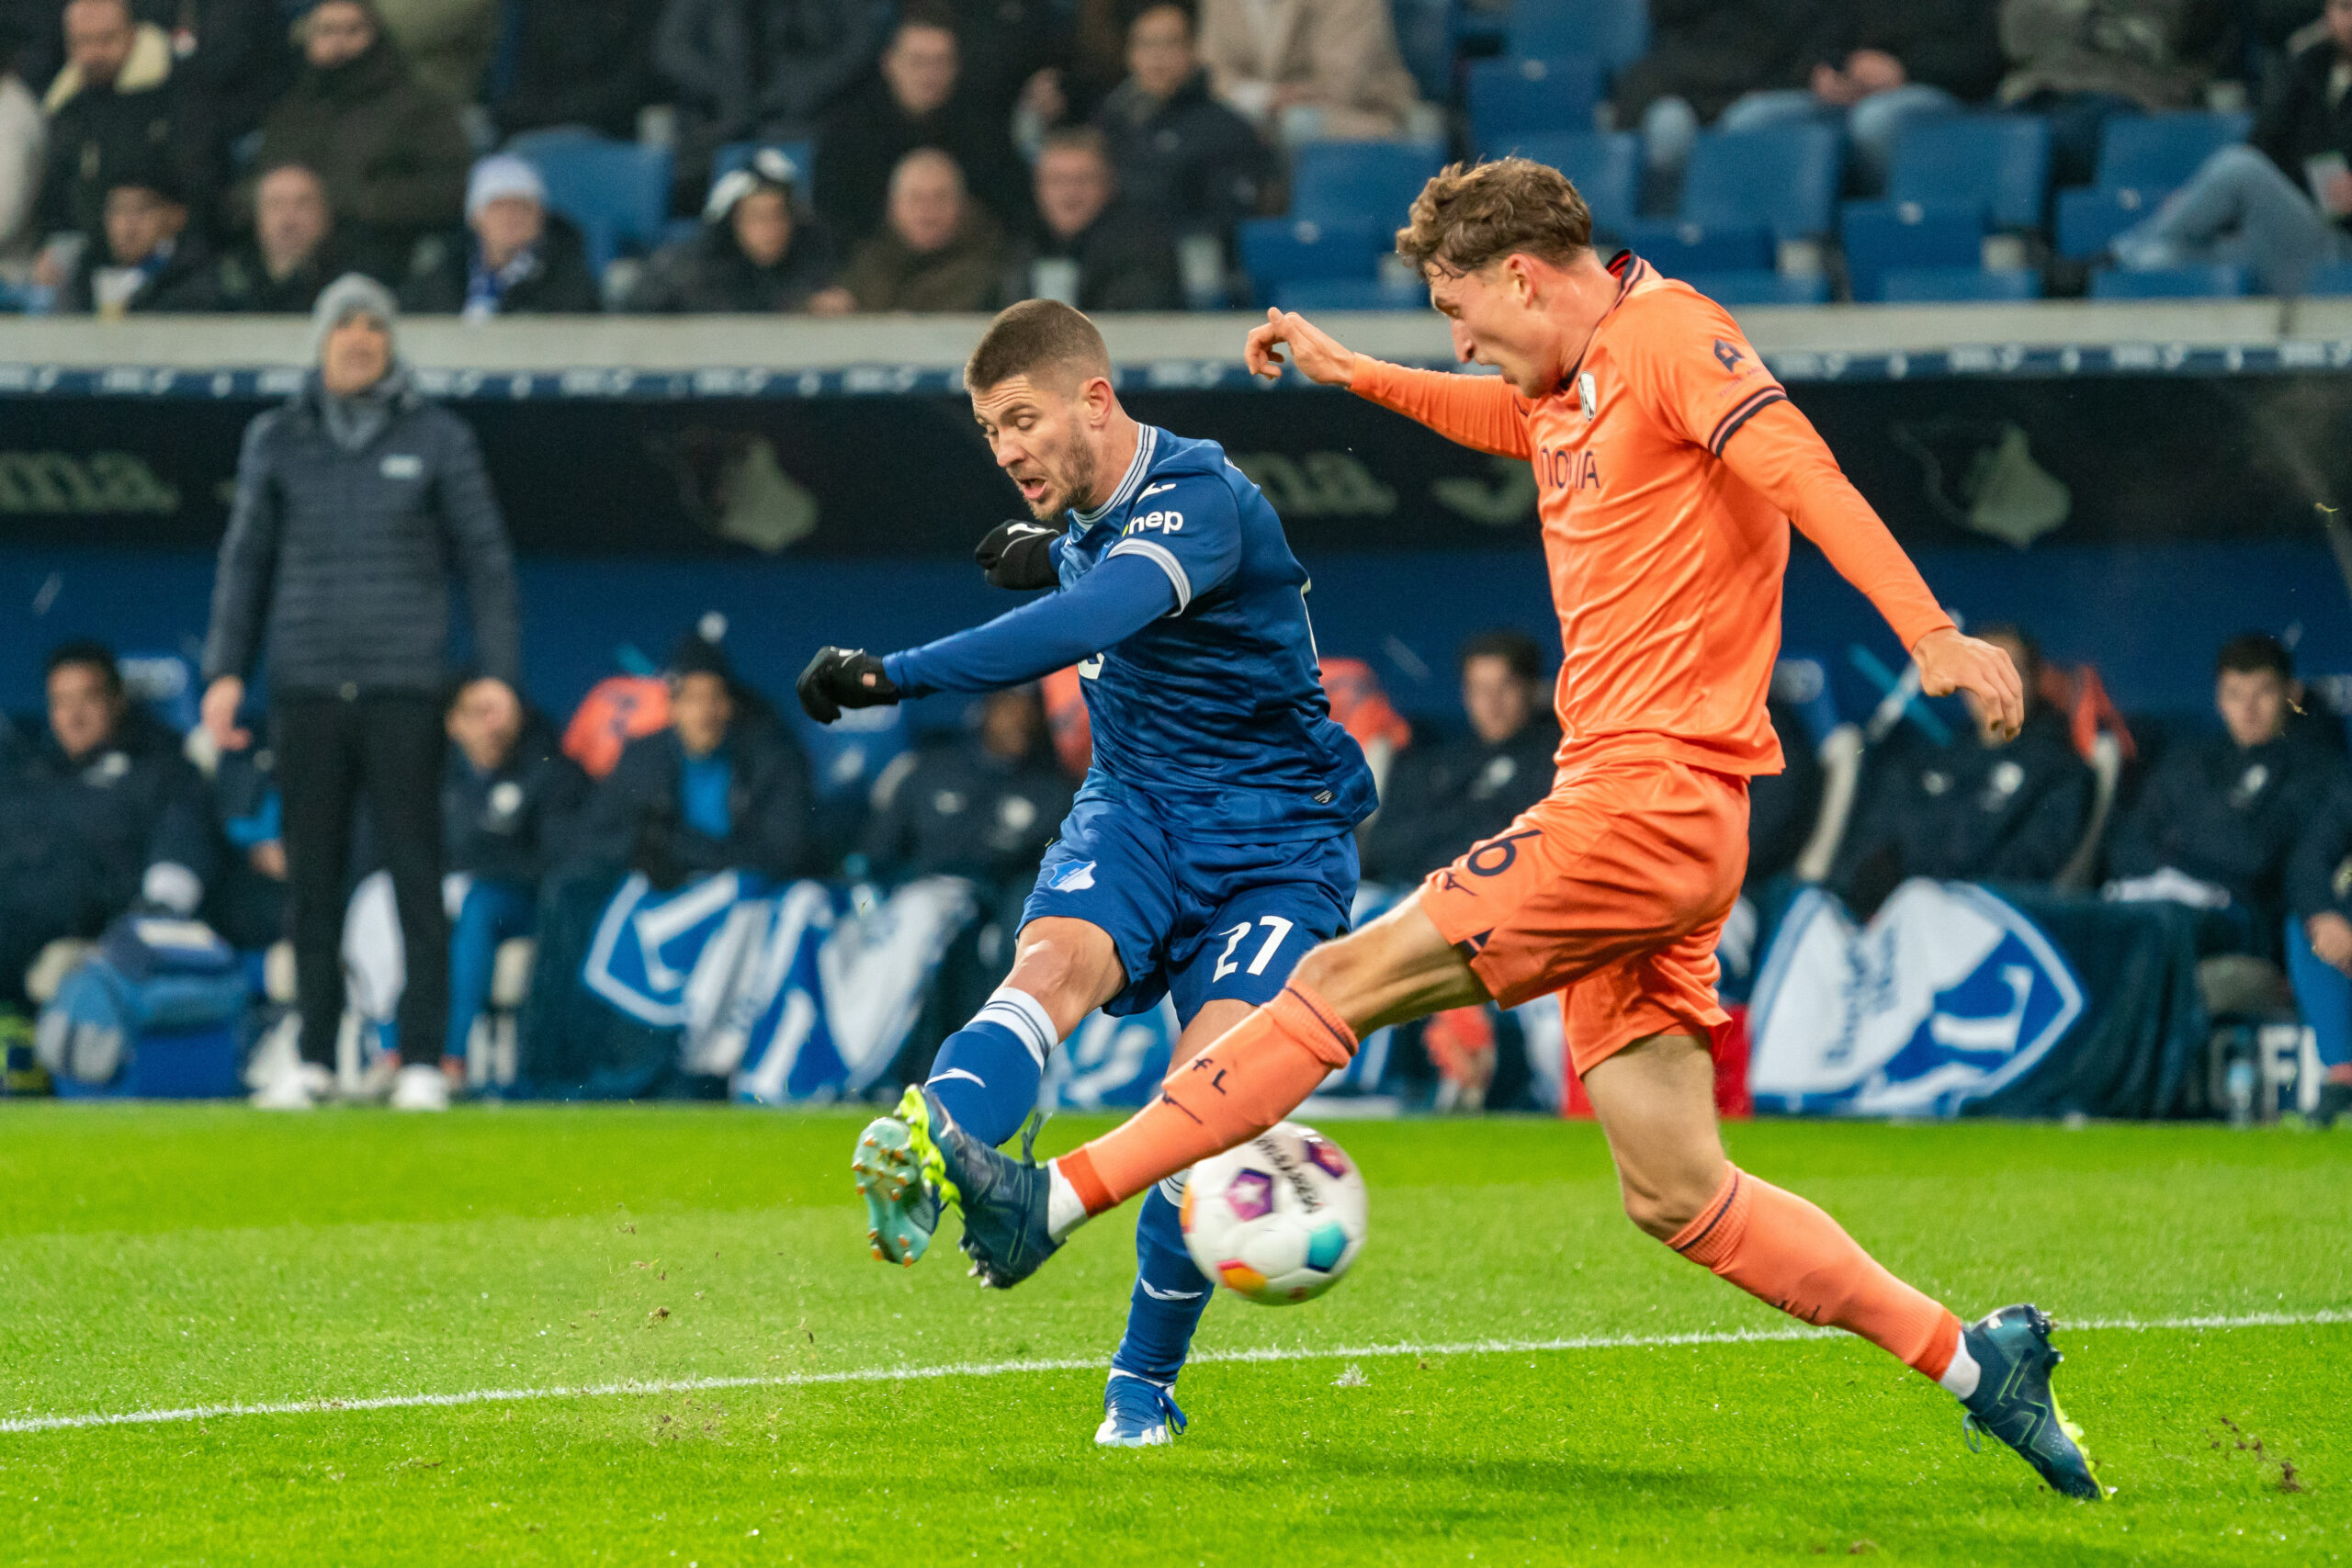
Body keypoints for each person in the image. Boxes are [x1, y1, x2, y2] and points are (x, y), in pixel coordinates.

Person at [891, 162, 2110, 1505]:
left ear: (1521, 276)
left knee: (1333, 982)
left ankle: (1050, 1199)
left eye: (1457, 311)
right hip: (1660, 820)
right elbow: (1504, 418)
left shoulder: (1673, 339)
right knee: (1679, 1195)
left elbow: (1799, 468)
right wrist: (1355, 371)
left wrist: (1930, 631)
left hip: (1640, 805)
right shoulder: (1573, 385)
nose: (1461, 342)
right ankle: (1975, 1360)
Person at [797, 298, 1374, 1448]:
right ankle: (933, 1145)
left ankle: (1138, 1389)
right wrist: (1046, 552)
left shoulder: (1199, 499)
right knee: (1046, 972)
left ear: (1095, 401)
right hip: (1136, 814)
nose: (1005, 449)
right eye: (988, 431)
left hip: (1275, 843)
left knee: (1206, 1100)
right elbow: (1085, 569)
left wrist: (892, 675)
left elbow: (1090, 620)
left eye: (1021, 420)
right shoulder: (1090, 517)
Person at [200, 274, 520, 1114]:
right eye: (344, 325)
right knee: (313, 881)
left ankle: (422, 1059)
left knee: (417, 873)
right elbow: (245, 560)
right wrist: (225, 671)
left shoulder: (439, 435)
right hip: (306, 685)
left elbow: (486, 560)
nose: (359, 339)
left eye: (373, 325)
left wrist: (497, 671)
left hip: (404, 686)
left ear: (391, 341)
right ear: (321, 340)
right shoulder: (277, 437)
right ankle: (314, 1057)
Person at [0, 641, 217, 1004]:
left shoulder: (162, 771)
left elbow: (181, 849)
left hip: (104, 945)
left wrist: (117, 948)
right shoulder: (30, 775)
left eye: (87, 699)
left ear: (117, 701)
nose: (74, 717)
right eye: (61, 702)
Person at [2107, 633, 2342, 960]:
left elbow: (2258, 857)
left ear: (2292, 694)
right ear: (2219, 699)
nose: (2248, 709)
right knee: (2091, 920)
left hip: (2246, 924)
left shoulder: (2319, 770)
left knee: (2160, 929)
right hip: (2162, 905)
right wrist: (2172, 873)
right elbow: (2128, 844)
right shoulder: (2189, 761)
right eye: (2235, 694)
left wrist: (2178, 860)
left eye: (2263, 693)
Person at [1831, 624, 2091, 911]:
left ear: (2033, 680)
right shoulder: (1932, 761)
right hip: (1901, 914)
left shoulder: (2059, 770)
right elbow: (1872, 845)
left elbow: (2029, 866)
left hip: (1978, 916)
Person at [2109, 0, 2352, 296]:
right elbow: (2265, 143)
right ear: (2328, 11)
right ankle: (2108, 267)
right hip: (2284, 234)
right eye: (2346, 7)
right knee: (2165, 257)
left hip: (2339, 249)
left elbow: (2250, 164)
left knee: (2241, 167)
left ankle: (2112, 256)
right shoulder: (2307, 67)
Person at [569, 635, 813, 887]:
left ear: (730, 705)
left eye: (714, 697)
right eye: (692, 698)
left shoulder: (772, 759)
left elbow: (785, 854)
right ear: (672, 706)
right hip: (660, 897)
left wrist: (678, 847)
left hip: (750, 897)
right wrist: (643, 849)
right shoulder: (642, 759)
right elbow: (594, 840)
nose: (703, 713)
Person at [253, 0, 470, 276]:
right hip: (286, 263)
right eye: (327, 31)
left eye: (352, 30)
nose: (338, 42)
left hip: (381, 257)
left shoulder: (417, 109)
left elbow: (451, 188)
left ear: (377, 36)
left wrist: (365, 200)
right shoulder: (291, 112)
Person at [441, 674, 586, 1083]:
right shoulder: (434, 775)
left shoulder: (549, 770)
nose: (493, 725)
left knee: (479, 902)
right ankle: (392, 1053)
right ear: (454, 722)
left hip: (524, 905)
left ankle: (450, 1060)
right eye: (479, 713)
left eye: (501, 712)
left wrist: (484, 859)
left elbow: (557, 861)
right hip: (448, 899)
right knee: (385, 897)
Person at [1702, 0, 2004, 194]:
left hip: (1941, 91)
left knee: (1876, 120)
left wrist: (1904, 71)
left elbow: (1984, 56)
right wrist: (1823, 73)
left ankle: (1887, 228)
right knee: (1750, 120)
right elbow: (1809, 39)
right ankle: (1793, 251)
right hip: (1847, 96)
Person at [811, 7, 1029, 245]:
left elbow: (1007, 208)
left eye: (941, 62)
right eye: (918, 62)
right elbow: (835, 215)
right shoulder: (848, 132)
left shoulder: (984, 129)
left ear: (957, 67)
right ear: (889, 63)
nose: (930, 74)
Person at [1360, 628, 1556, 886]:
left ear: (1531, 688)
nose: (1492, 703)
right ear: (1465, 693)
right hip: (1416, 892)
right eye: (1480, 689)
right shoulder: (1442, 759)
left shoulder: (1557, 758)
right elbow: (1381, 846)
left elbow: (1522, 848)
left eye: (1506, 686)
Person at [860, 684, 1075, 906]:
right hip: (915, 895)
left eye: (1032, 712)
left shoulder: (1053, 794)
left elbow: (1056, 874)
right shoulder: (933, 769)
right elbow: (879, 851)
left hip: (997, 908)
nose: (1022, 721)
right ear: (987, 710)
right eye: (1010, 709)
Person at [32, 0, 205, 265]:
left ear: (132, 33)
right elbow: (56, 198)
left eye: (106, 39)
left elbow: (198, 187)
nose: (93, 54)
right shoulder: (66, 108)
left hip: (176, 259)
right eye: (82, 42)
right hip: (89, 261)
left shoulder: (178, 95)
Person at [1996, 0, 2232, 186]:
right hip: (2035, 92)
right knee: (1985, 140)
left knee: (2042, 147)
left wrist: (2072, 19)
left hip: (2129, 98)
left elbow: (2161, 33)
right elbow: (2015, 31)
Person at [1611, 0, 1842, 189]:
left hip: (1772, 79)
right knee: (1668, 122)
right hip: (1691, 81)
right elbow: (1663, 12)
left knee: (1747, 121)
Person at [1092, 3, 1270, 245]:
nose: (1158, 56)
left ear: (1194, 50)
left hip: (1190, 255)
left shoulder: (1227, 130)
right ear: (1130, 55)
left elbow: (1229, 219)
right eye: (1146, 44)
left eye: (1171, 43)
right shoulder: (1111, 120)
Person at [655, 0, 888, 165]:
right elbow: (672, 49)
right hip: (719, 125)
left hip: (811, 122)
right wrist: (728, 90)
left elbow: (860, 45)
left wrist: (807, 88)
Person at [627, 146, 839, 312]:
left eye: (779, 215)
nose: (770, 229)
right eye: (756, 217)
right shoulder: (690, 275)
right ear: (732, 222)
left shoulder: (811, 262)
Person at [401, 153, 602, 317]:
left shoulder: (568, 276)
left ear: (540, 217)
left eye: (522, 206)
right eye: (498, 206)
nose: (511, 216)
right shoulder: (444, 270)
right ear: (475, 217)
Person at [812, 146, 1006, 314]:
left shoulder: (991, 271)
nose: (927, 210)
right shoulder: (869, 265)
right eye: (915, 198)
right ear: (893, 206)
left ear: (961, 206)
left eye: (940, 198)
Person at [1194, 0, 1420, 141]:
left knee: (1297, 123)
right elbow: (1210, 72)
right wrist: (1264, 98)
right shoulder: (1221, 4)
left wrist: (1271, 101)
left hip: (1357, 116)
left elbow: (1339, 85)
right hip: (1259, 114)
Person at [1009, 126, 1182, 310]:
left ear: (1109, 185)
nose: (1069, 193)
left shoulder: (1141, 250)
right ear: (1037, 188)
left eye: (1083, 180)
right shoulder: (1022, 244)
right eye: (1056, 180)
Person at [167, 161, 351, 314]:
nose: (289, 219)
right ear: (257, 217)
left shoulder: (350, 281)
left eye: (303, 204)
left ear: (325, 215)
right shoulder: (222, 278)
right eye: (276, 204)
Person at [492, 0, 660, 143]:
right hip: (534, 128)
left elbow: (632, 85)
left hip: (607, 133)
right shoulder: (535, 8)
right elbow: (518, 82)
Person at [62, 171, 208, 312]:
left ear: (176, 215)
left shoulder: (195, 279)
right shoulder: (86, 271)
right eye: (118, 209)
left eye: (142, 209)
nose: (128, 225)